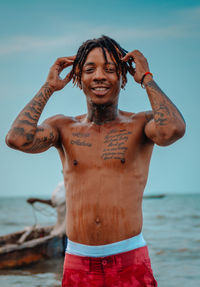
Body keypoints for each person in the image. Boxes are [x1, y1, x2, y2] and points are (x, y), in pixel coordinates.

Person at [6, 35, 185, 286]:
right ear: (79, 78)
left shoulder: (141, 124)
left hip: (129, 261)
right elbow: (16, 139)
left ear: (122, 77)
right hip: (78, 263)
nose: (99, 76)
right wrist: (48, 87)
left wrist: (147, 78)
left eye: (110, 69)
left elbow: (173, 130)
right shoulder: (63, 126)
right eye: (89, 70)